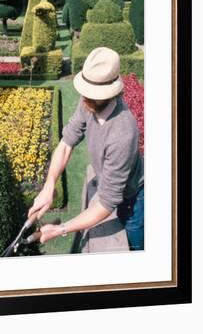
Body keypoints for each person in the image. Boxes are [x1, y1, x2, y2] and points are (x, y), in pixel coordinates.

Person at [28, 46, 144, 251]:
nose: (84, 98)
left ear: (109, 93)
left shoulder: (122, 132)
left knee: (134, 249)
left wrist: (59, 229)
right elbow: (66, 144)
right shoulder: (88, 103)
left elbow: (107, 204)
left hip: (133, 200)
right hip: (111, 187)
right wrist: (49, 186)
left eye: (92, 93)